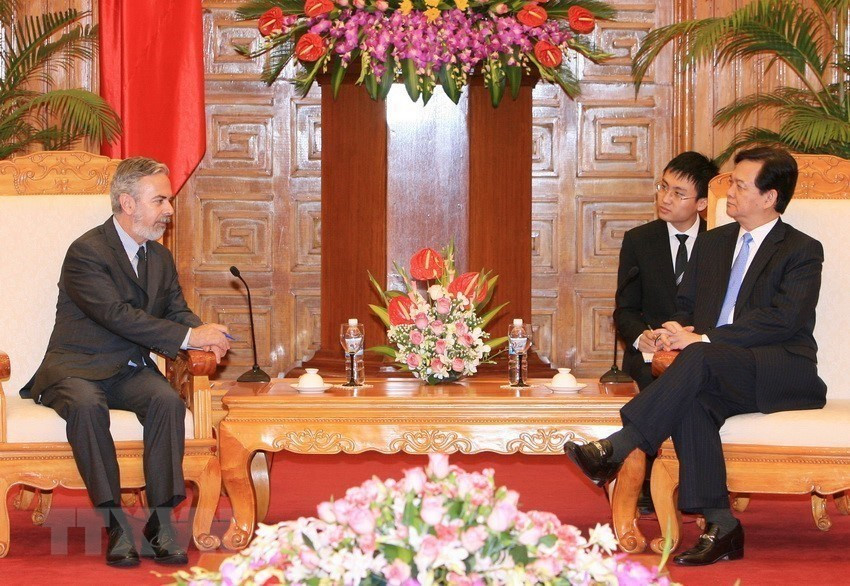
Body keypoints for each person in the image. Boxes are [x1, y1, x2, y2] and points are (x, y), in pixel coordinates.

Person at [565, 147, 826, 566]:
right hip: (717, 368)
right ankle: (722, 525)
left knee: (698, 359)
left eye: (740, 185)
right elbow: (685, 305)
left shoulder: (800, 250)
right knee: (693, 401)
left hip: (779, 368)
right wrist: (674, 329)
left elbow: (784, 321)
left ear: (769, 197)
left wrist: (702, 339)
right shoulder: (715, 242)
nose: (729, 194)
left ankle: (620, 444)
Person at [22, 157, 232, 567]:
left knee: (167, 402)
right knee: (85, 407)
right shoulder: (87, 252)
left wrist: (205, 333)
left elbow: (175, 311)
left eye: (167, 200)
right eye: (161, 200)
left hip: (127, 369)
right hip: (75, 367)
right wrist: (189, 337)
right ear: (128, 203)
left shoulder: (159, 257)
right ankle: (115, 523)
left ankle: (160, 522)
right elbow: (117, 315)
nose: (170, 209)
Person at [616, 151, 719, 389]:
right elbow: (625, 310)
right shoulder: (639, 240)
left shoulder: (718, 241)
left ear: (702, 203)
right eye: (663, 187)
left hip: (699, 355)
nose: (665, 198)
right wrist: (641, 337)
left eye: (678, 193)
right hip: (648, 360)